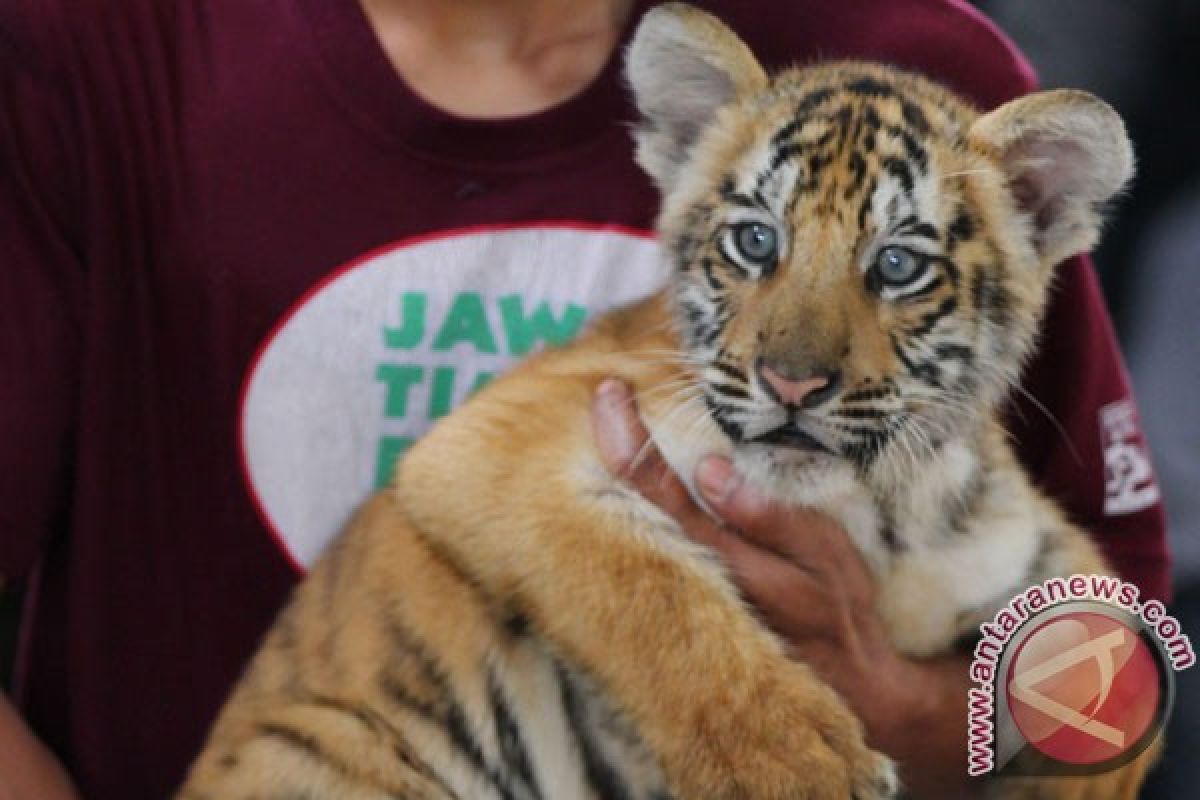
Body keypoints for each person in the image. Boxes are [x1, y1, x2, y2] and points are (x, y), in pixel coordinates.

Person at [0, 0, 1169, 798]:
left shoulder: (916, 73)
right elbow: (479, 479)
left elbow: (1136, 662)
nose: (798, 359)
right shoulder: (93, 46)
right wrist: (723, 698)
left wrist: (918, 720)